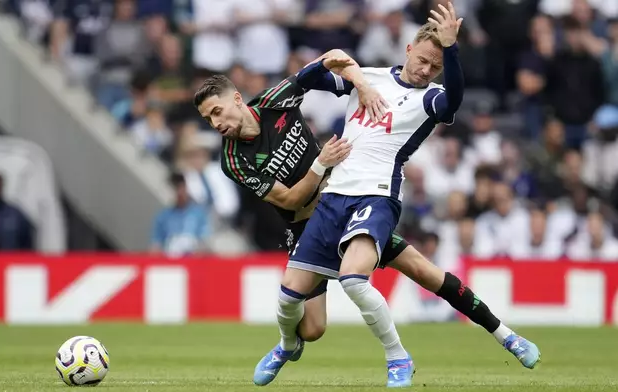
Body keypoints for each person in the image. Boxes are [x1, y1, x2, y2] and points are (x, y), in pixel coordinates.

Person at [194, 4, 540, 387]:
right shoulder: (370, 78)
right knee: (304, 310)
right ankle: (286, 345)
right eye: (424, 60)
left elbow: (452, 99)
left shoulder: (430, 98)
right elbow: (329, 67)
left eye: (435, 67)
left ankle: (488, 339)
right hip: (326, 202)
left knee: (359, 279)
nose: (426, 71)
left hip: (373, 197)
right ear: (408, 49)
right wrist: (360, 85)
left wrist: (450, 49)